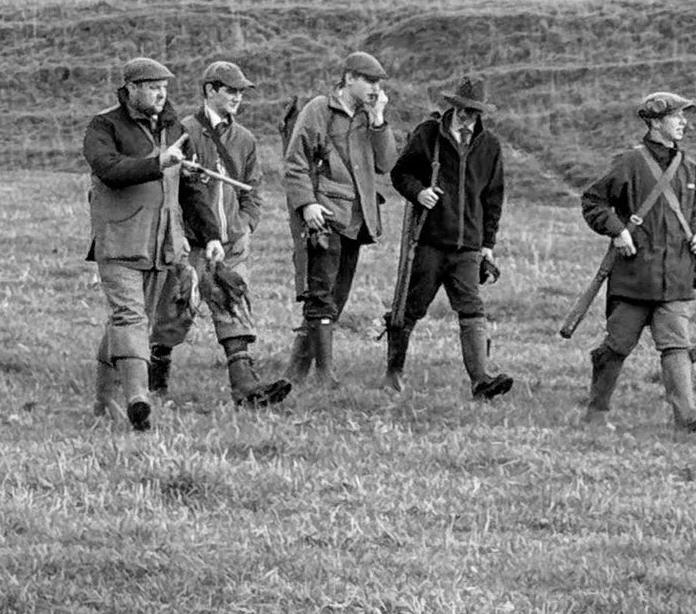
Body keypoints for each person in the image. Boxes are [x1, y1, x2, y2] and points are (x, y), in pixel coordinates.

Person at [577, 91, 696, 433]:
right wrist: (617, 231)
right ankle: (596, 416)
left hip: (677, 276)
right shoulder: (629, 162)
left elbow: (695, 216)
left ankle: (687, 417)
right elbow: (593, 202)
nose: (684, 122)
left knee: (678, 346)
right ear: (655, 122)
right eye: (677, 116)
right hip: (634, 276)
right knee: (616, 347)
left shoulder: (690, 168)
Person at [153, 61, 295, 409]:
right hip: (190, 243)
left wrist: (245, 224)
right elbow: (174, 190)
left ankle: (246, 388)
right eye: (230, 90)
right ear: (209, 91)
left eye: (241, 92)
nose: (237, 97)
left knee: (233, 304)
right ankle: (154, 382)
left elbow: (254, 188)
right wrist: (178, 235)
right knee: (178, 309)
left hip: (231, 244)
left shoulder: (245, 139)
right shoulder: (183, 132)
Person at [383, 74, 514, 399]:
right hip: (428, 243)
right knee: (409, 308)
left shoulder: (490, 146)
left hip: (468, 248)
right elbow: (401, 173)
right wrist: (419, 193)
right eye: (463, 109)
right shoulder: (427, 135)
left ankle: (481, 381)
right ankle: (393, 372)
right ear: (453, 107)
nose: (468, 116)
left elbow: (493, 199)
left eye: (474, 111)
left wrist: (487, 246)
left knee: (472, 309)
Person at [81, 56, 194, 430]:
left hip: (161, 243)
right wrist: (158, 161)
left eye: (164, 87)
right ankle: (137, 400)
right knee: (131, 318)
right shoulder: (104, 125)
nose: (161, 94)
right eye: (152, 87)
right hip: (119, 241)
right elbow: (109, 170)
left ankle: (104, 400)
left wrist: (206, 236)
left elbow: (186, 188)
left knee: (127, 322)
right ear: (131, 89)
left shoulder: (172, 127)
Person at [280, 49, 401, 385]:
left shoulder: (368, 116)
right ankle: (324, 376)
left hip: (357, 219)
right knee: (321, 294)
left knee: (337, 297)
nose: (375, 88)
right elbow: (295, 162)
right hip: (326, 215)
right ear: (349, 78)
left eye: (378, 83)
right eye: (369, 81)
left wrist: (378, 121)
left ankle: (295, 373)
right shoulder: (319, 110)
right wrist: (307, 204)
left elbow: (387, 163)